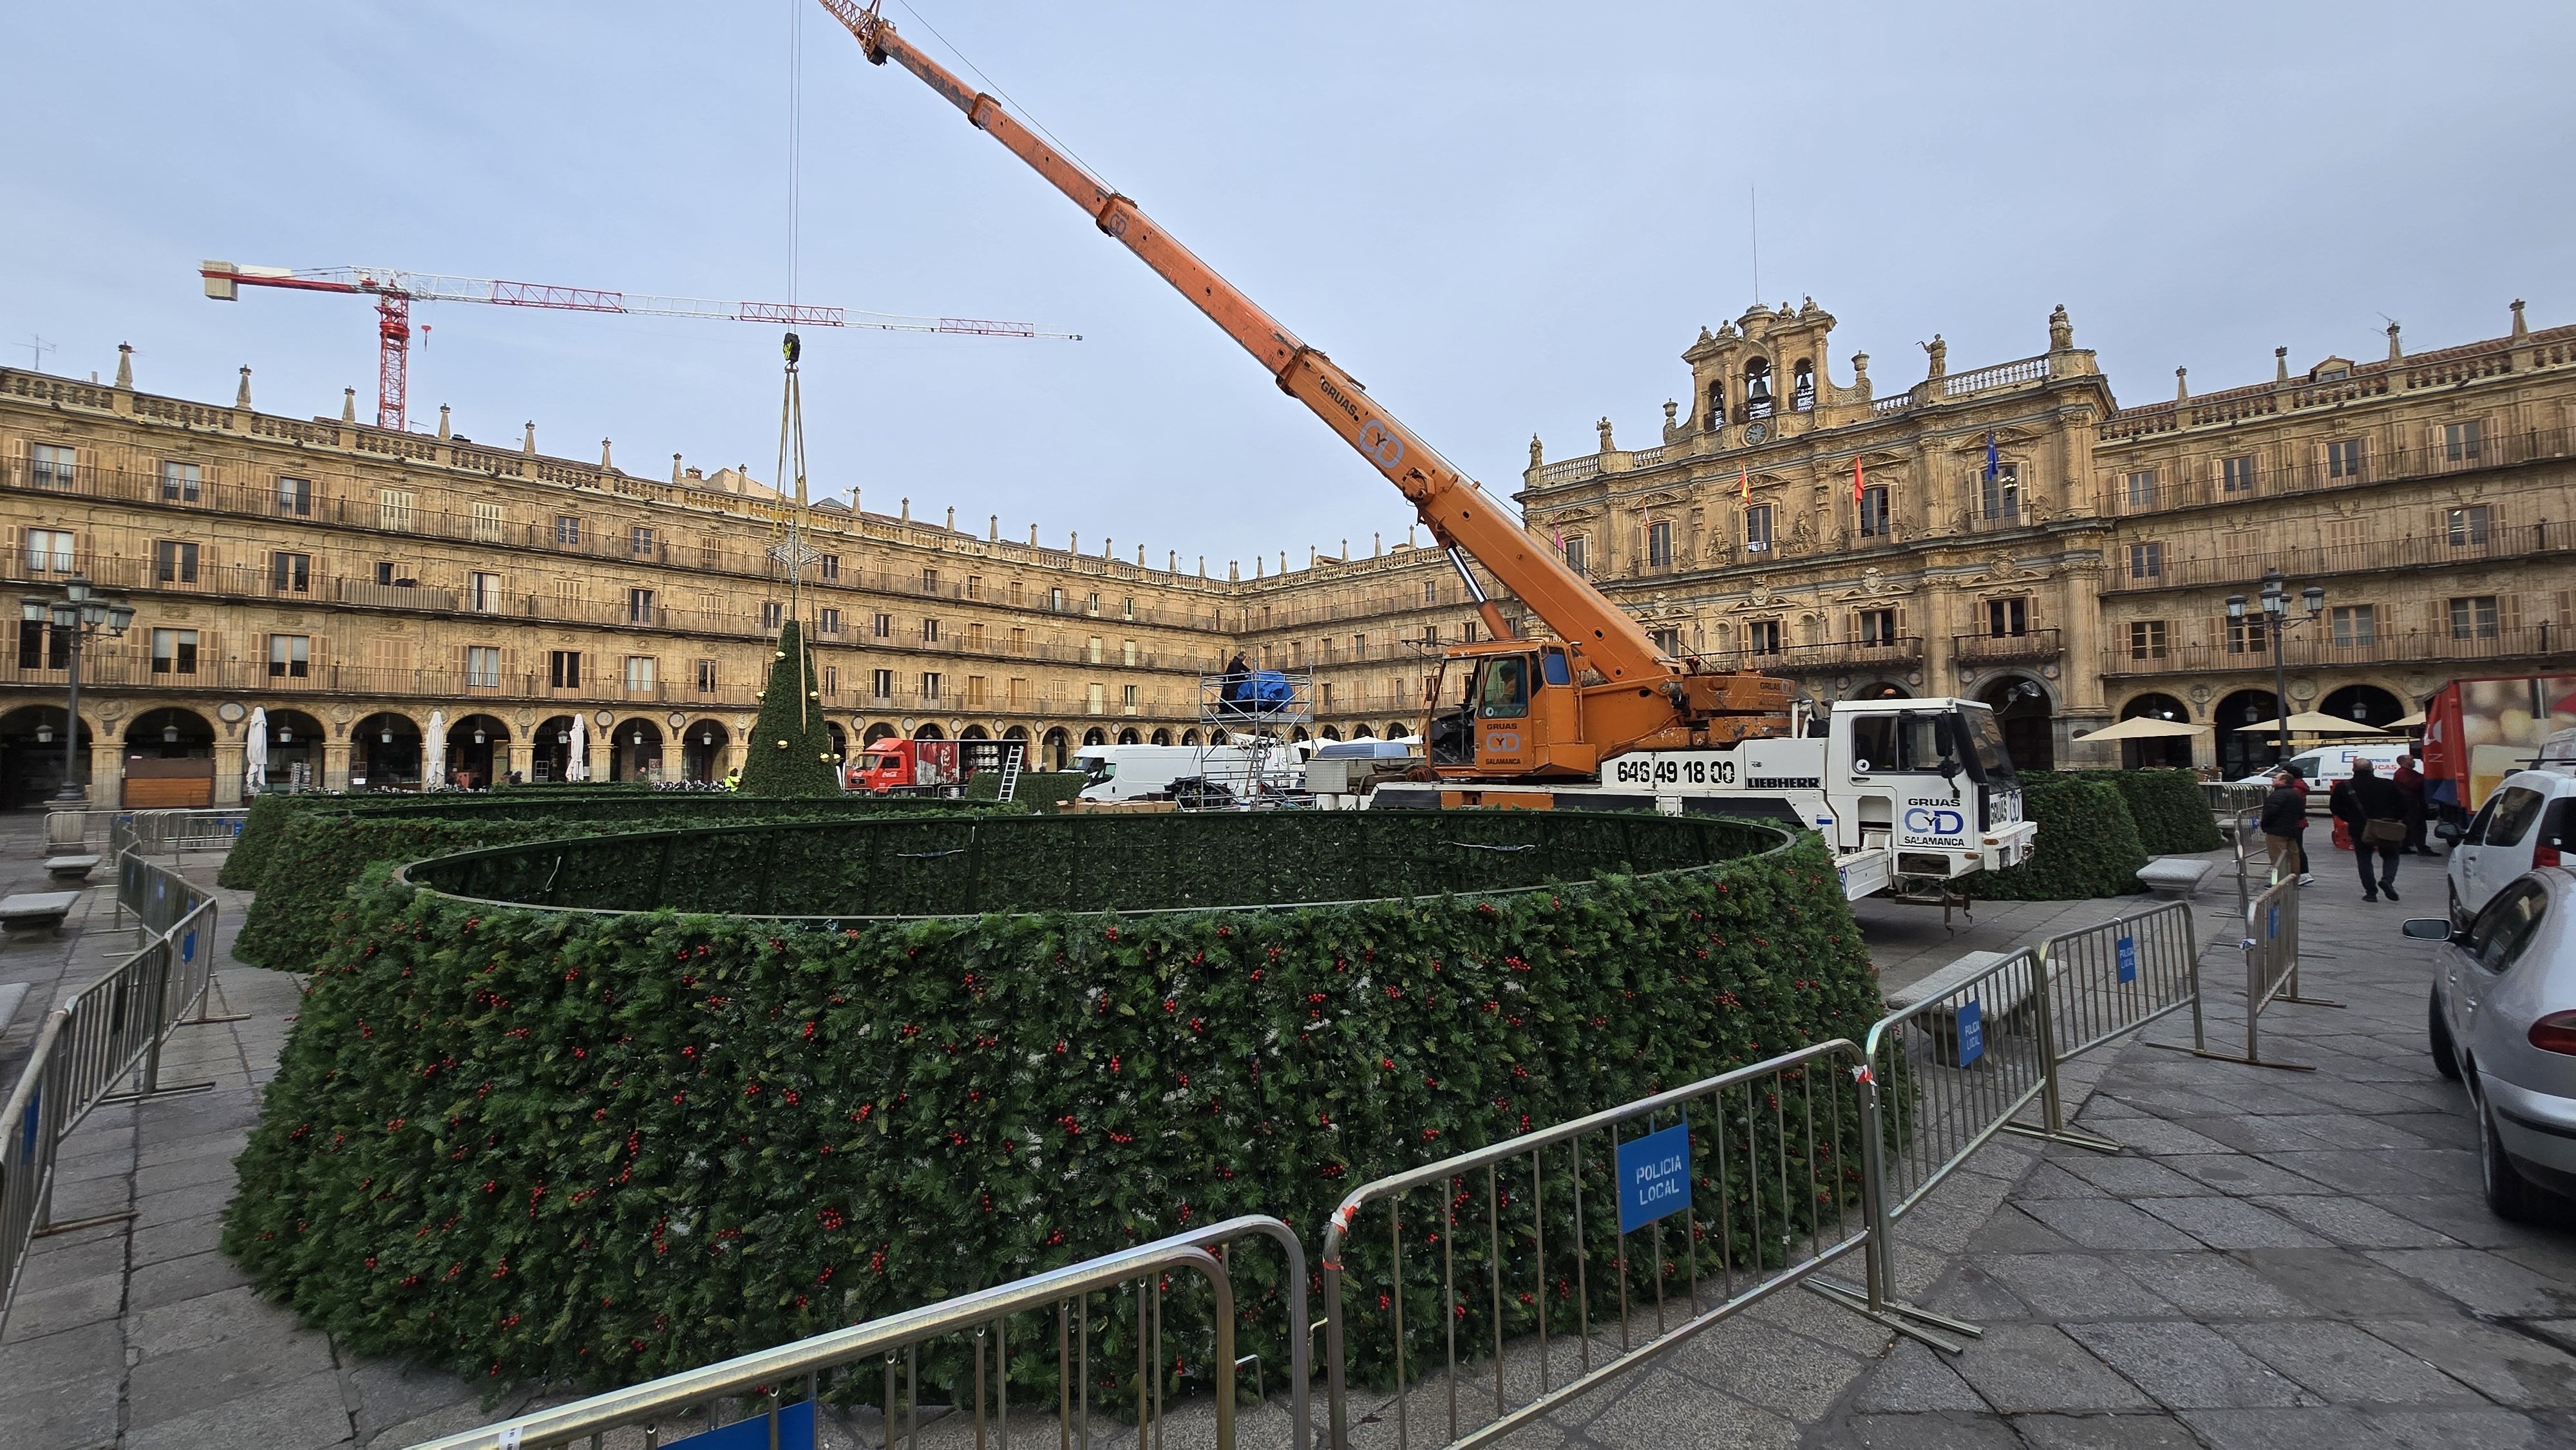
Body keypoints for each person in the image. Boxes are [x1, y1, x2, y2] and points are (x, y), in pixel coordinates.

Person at [2330, 757, 2407, 901]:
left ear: (2354, 770)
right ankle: (2387, 880)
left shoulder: (2345, 786)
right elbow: (2402, 805)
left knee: (2364, 859)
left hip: (2360, 828)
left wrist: (2350, 818)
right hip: (2386, 826)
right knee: (2391, 855)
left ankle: (2371, 892)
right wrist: (2395, 819)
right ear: (2373, 770)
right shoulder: (2388, 784)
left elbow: (2335, 808)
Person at [2258, 769, 2310, 885]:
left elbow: (2270, 812)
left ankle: (2279, 882)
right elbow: (2301, 813)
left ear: (2283, 782)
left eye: (2276, 778)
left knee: (2278, 858)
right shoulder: (2295, 794)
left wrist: (2265, 825)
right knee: (2293, 856)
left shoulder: (2278, 794)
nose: (2273, 779)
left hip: (2277, 830)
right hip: (2291, 829)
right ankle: (2293, 879)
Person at [2393, 753, 2432, 854]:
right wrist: (2426, 778)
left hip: (2411, 803)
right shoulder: (2403, 774)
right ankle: (2421, 847)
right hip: (2411, 803)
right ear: (2405, 762)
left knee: (2410, 824)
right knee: (2417, 825)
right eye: (2411, 760)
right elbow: (2413, 784)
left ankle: (2405, 846)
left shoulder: (2410, 773)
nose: (2414, 761)